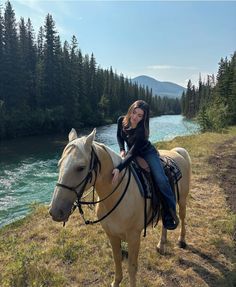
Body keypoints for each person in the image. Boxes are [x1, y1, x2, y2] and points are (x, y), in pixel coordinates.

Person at [112, 100, 179, 230]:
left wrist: (119, 168)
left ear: (144, 118)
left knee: (161, 179)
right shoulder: (121, 120)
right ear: (131, 110)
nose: (135, 117)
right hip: (131, 151)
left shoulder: (141, 131)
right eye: (134, 112)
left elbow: (132, 155)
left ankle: (170, 212)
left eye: (140, 115)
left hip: (147, 153)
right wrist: (121, 149)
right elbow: (119, 136)